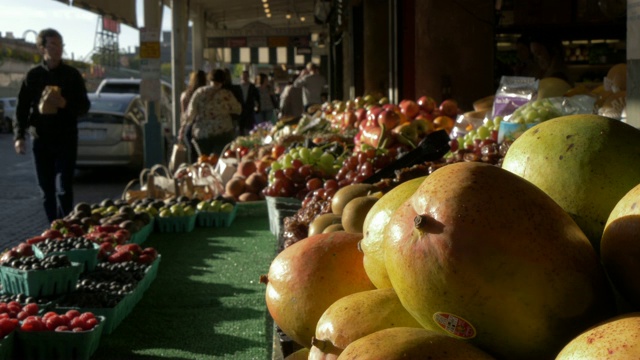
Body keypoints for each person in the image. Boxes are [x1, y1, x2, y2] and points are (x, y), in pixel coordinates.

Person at [13, 28, 90, 223]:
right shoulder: (33, 76)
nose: (57, 49)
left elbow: (84, 106)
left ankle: (67, 227)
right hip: (41, 140)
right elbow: (21, 108)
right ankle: (54, 227)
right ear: (42, 48)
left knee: (64, 187)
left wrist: (65, 104)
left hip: (66, 138)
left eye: (60, 45)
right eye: (53, 45)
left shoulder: (72, 75)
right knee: (46, 190)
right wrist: (19, 136)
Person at [183, 69, 241, 157]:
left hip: (202, 133)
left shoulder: (199, 92)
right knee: (220, 160)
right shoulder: (226, 94)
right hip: (223, 132)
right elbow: (238, 110)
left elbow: (190, 113)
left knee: (204, 161)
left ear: (209, 79)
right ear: (223, 80)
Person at [178, 70, 207, 162]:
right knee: (204, 156)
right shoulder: (206, 93)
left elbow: (184, 115)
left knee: (192, 155)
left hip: (189, 128)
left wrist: (182, 129)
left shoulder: (185, 95)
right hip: (203, 128)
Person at [237, 70, 260, 135]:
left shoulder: (252, 87)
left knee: (249, 125)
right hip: (240, 108)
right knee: (241, 126)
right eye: (243, 76)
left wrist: (257, 106)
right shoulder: (238, 87)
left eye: (246, 76)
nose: (245, 77)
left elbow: (257, 98)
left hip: (249, 108)